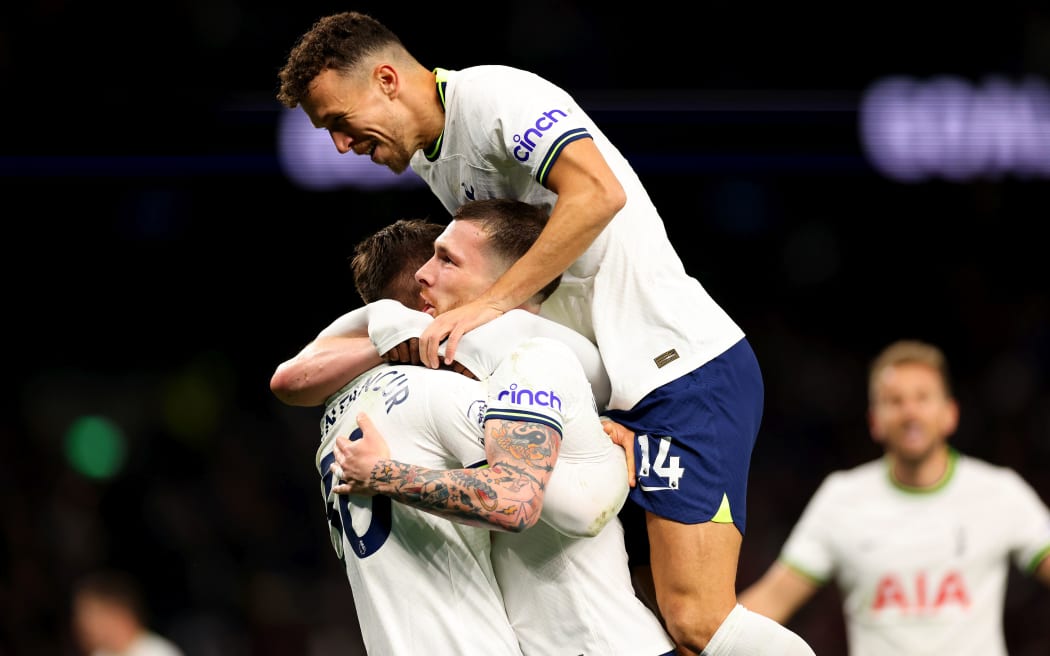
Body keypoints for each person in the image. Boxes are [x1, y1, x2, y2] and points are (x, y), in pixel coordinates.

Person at [276, 12, 814, 655]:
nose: (339, 146)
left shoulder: (498, 98)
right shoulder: (436, 164)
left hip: (677, 368)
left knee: (697, 619)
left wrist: (488, 307)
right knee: (636, 618)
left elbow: (597, 194)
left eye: (338, 121)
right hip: (610, 389)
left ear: (386, 79)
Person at [285, 201, 674, 655]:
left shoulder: (533, 363)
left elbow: (547, 506)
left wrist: (385, 474)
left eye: (447, 259)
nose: (425, 275)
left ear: (505, 282)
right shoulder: (471, 389)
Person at [739, 339, 1050, 655]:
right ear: (875, 421)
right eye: (894, 401)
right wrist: (700, 635)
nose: (910, 412)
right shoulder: (841, 499)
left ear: (950, 414)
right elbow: (771, 600)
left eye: (923, 398)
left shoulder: (1000, 492)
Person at [71, 569, 185, 656]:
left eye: (90, 615)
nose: (82, 625)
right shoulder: (101, 654)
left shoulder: (158, 652)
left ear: (115, 611)